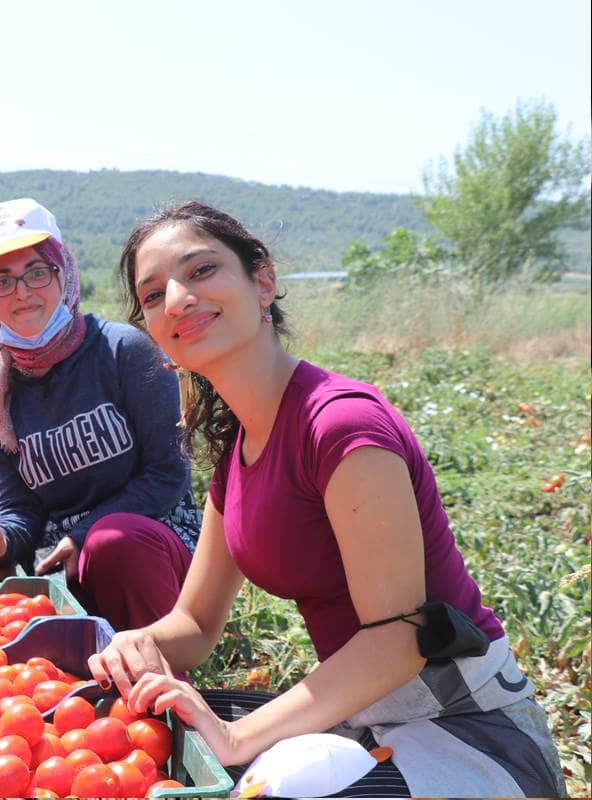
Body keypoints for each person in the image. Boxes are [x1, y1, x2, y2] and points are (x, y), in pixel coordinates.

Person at [89, 201, 564, 796]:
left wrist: (235, 738)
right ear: (155, 336)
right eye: (153, 295)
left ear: (264, 281)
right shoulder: (239, 445)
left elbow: (398, 642)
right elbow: (197, 623)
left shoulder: (339, 426)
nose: (179, 299)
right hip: (365, 717)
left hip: (463, 727)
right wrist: (139, 643)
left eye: (202, 271)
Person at [0, 198, 201, 631]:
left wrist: (86, 532)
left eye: (37, 271)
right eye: (2, 281)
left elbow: (168, 474)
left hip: (149, 540)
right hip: (59, 560)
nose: (22, 291)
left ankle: (165, 676)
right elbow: (17, 506)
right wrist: (0, 538)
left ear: (63, 272)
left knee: (114, 544)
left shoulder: (123, 351)